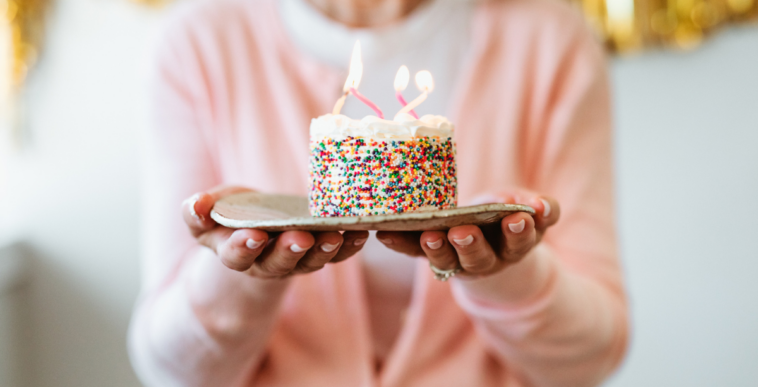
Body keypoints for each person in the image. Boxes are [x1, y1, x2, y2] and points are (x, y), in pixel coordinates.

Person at [128, 0, 629, 385]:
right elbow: (171, 370)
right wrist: (241, 271)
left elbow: (592, 359)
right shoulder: (198, 41)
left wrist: (508, 273)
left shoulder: (547, 38)